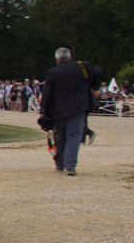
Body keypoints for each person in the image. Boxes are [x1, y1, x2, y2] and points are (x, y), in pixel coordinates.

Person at [39, 47, 103, 176]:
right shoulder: (81, 66)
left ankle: (60, 164)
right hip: (78, 106)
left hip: (59, 109)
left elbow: (47, 93)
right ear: (70, 56)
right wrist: (93, 87)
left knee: (60, 137)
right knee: (74, 136)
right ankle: (70, 166)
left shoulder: (53, 72)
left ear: (57, 59)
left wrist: (43, 110)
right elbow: (99, 72)